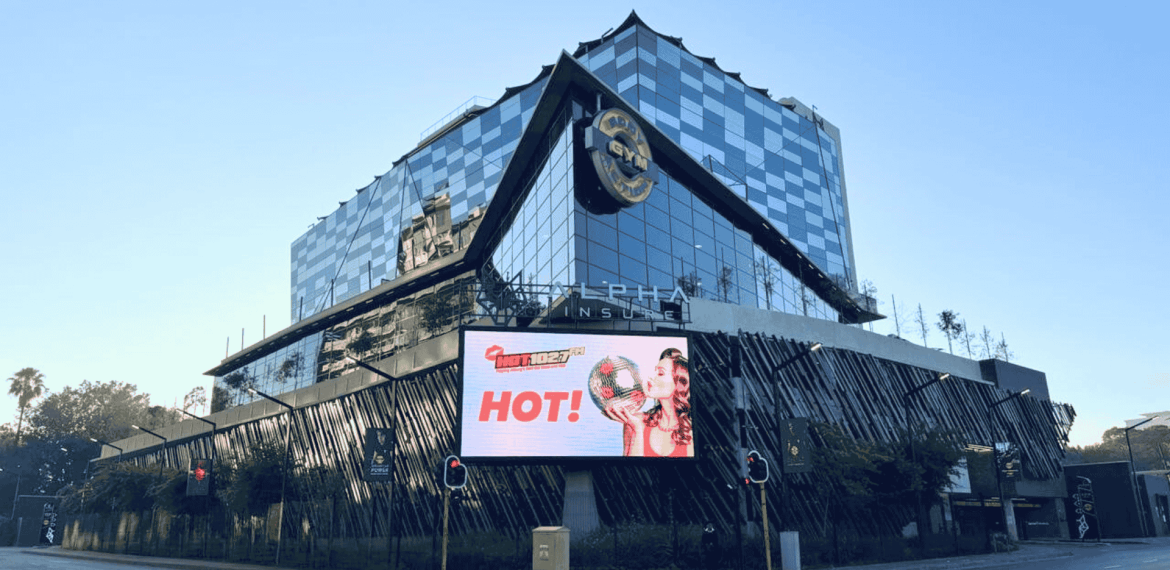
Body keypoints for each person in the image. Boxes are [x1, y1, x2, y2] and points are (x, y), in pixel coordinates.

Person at [604, 348, 693, 457]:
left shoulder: (690, 431)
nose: (651, 376)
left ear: (679, 384)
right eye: (655, 371)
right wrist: (637, 430)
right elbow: (630, 467)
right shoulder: (636, 421)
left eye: (660, 373)